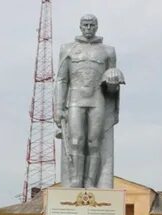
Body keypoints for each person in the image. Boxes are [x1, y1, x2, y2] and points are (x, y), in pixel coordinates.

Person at [54, 14, 125, 188]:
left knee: (94, 142)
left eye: (91, 25)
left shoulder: (108, 51)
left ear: (96, 26)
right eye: (85, 25)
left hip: (97, 100)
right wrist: (58, 107)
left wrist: (113, 82)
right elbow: (62, 80)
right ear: (80, 26)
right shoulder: (67, 49)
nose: (88, 28)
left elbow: (111, 88)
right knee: (76, 140)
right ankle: (76, 180)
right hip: (75, 101)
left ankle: (90, 182)